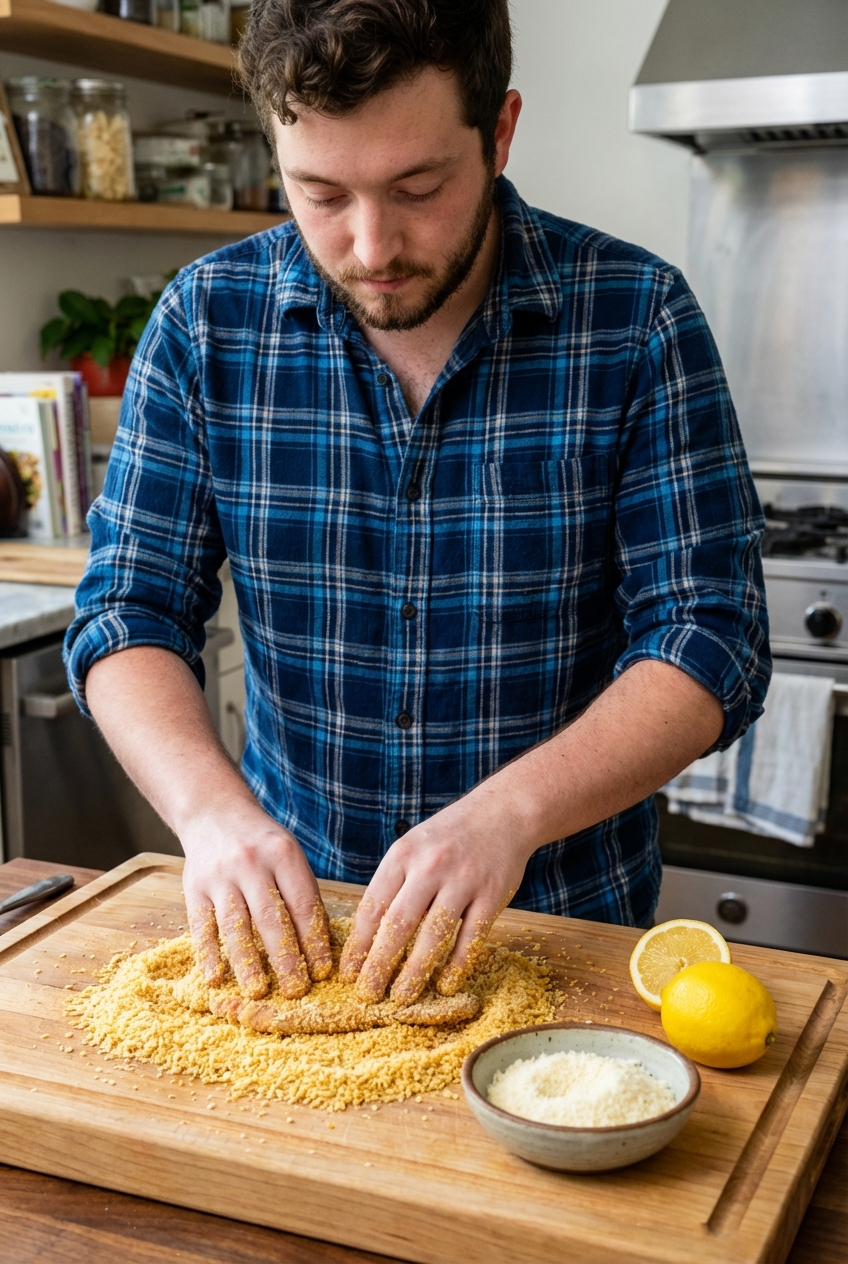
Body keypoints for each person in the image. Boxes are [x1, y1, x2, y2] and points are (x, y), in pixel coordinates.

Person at [65, 0, 770, 1008]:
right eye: (319, 193)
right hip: (298, 941)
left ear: (500, 131)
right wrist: (209, 813)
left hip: (565, 931)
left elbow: (711, 635)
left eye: (417, 187)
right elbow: (127, 607)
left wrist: (509, 814)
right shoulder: (205, 321)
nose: (369, 245)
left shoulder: (634, 319)